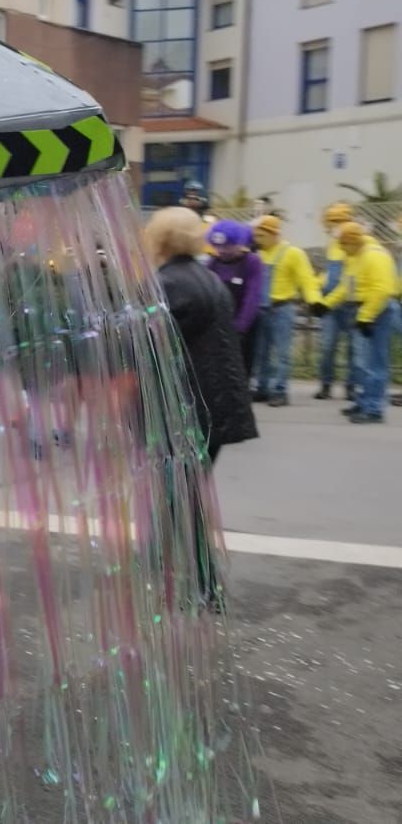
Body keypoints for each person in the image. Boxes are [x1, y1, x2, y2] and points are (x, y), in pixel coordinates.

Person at [146, 207, 257, 607]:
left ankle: (203, 587)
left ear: (157, 239)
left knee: (182, 496)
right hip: (216, 406)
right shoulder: (206, 277)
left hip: (190, 409)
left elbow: (151, 348)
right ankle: (164, 567)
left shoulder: (169, 284)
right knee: (182, 494)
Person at [329, 222, 398, 424]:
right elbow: (347, 287)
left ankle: (374, 409)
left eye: (343, 245)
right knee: (362, 363)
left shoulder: (374, 256)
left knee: (375, 363)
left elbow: (382, 290)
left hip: (378, 312)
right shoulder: (355, 256)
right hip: (364, 312)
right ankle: (364, 401)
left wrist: (366, 317)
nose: (341, 249)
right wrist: (326, 304)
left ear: (352, 241)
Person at [251, 215, 319, 406]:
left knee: (282, 354)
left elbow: (306, 279)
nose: (258, 240)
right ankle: (262, 388)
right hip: (261, 310)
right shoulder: (257, 254)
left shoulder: (293, 253)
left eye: (262, 236)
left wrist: (314, 300)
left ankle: (280, 391)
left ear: (274, 234)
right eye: (256, 235)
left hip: (282, 309)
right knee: (261, 352)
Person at [313, 203, 360, 401]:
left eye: (338, 222)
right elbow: (330, 274)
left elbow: (349, 280)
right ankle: (326, 384)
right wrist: (317, 284)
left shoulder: (356, 243)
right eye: (331, 223)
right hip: (329, 306)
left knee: (352, 348)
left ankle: (351, 386)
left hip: (349, 304)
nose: (334, 227)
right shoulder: (332, 245)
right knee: (327, 346)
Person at [203, 220, 265, 369]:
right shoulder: (212, 263)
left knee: (242, 367)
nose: (222, 250)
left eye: (227, 246)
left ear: (239, 243)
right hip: (218, 326)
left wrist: (240, 328)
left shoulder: (252, 262)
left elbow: (252, 297)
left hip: (244, 326)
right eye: (218, 246)